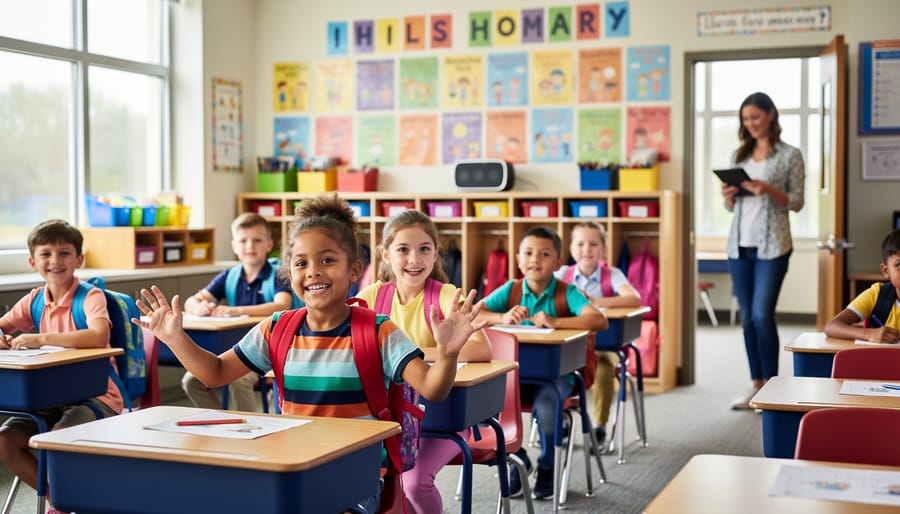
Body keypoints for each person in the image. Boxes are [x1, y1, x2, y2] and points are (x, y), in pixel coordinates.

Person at [133, 194, 485, 514]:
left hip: (357, 476)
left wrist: (449, 352)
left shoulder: (378, 331)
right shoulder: (276, 329)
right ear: (289, 273)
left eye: (327, 260)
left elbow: (432, 389)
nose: (313, 270)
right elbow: (214, 373)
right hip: (294, 467)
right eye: (301, 263)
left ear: (354, 270)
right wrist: (175, 338)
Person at [357, 210, 492, 514]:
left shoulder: (446, 296)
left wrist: (411, 352)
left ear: (435, 254)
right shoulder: (371, 296)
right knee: (363, 482)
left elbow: (481, 349)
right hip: (388, 421)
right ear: (385, 255)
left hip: (440, 419)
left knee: (414, 483)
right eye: (403, 249)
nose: (414, 259)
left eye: (424, 249)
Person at [477, 226, 608, 500]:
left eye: (545, 254)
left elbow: (598, 319)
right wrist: (502, 318)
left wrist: (556, 321)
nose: (535, 259)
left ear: (559, 262)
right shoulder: (511, 290)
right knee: (479, 407)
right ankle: (518, 457)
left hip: (556, 378)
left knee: (548, 410)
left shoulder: (566, 292)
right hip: (514, 378)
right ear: (518, 259)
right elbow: (474, 314)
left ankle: (548, 466)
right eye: (528, 253)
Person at [0, 220, 122, 514]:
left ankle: (71, 499)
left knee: (57, 439)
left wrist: (40, 339)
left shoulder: (90, 296)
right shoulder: (35, 299)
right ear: (32, 262)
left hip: (97, 395)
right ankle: (63, 501)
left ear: (79, 259)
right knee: (4, 440)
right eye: (45, 254)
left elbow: (98, 335)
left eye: (64, 253)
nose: (55, 261)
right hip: (49, 396)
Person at [721, 92, 805, 410]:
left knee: (761, 315)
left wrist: (767, 188)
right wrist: (729, 196)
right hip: (739, 246)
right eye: (745, 119)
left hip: (774, 247)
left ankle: (772, 385)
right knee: (747, 320)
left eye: (755, 117)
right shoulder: (739, 155)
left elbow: (797, 202)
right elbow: (731, 208)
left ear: (771, 115)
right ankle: (755, 385)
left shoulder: (790, 155)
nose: (750, 124)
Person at [181, 213, 294, 412]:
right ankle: (222, 421)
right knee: (192, 380)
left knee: (238, 380)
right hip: (234, 350)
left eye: (257, 240)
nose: (250, 246)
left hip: (268, 351)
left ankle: (251, 428)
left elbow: (282, 304)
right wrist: (198, 307)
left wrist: (237, 310)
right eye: (243, 241)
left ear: (269, 245)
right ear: (234, 247)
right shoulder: (230, 275)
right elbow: (192, 300)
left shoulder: (277, 273)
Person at [554, 222, 640, 448]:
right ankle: (561, 419)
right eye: (580, 244)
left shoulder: (612, 275)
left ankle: (600, 426)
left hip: (604, 348)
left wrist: (594, 302)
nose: (586, 249)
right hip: (568, 347)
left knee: (603, 367)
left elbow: (634, 298)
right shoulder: (563, 274)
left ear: (602, 248)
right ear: (571, 249)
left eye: (593, 244)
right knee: (555, 368)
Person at [824, 229, 900, 342]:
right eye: (899, 264)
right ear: (886, 270)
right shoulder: (877, 295)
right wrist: (868, 334)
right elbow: (831, 326)